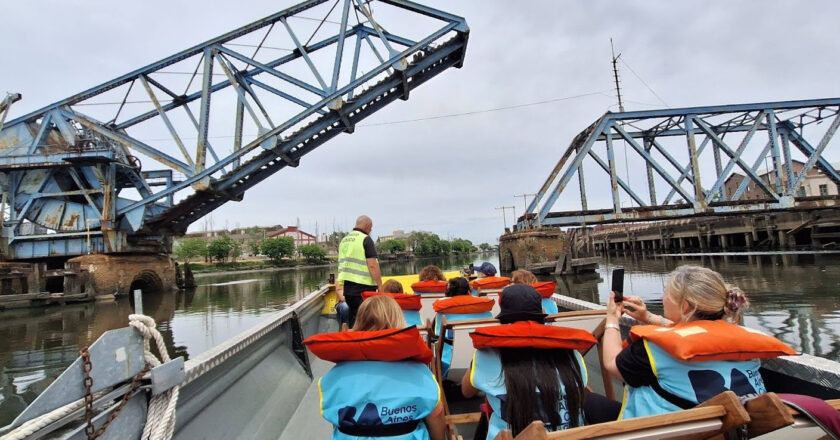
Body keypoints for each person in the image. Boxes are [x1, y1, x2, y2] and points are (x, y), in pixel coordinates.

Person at [602, 265, 796, 420]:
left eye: (666, 294)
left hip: (671, 433)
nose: (662, 298)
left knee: (590, 404)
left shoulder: (653, 349)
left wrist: (611, 319)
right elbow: (699, 331)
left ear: (685, 306)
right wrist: (650, 317)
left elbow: (612, 363)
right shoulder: (749, 339)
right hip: (729, 432)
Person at [461, 284, 597, 439]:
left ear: (503, 316)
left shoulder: (487, 354)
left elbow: (466, 391)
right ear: (541, 312)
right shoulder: (571, 354)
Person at [306, 295, 446, 440]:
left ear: (358, 322)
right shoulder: (419, 373)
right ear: (399, 322)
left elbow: (337, 419)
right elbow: (436, 414)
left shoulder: (334, 377)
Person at [432, 277, 494, 379]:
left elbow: (437, 336)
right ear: (469, 292)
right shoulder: (485, 309)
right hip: (485, 360)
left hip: (450, 363)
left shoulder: (442, 312)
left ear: (448, 293)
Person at [337, 215, 383, 328]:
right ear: (367, 226)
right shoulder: (365, 239)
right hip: (364, 289)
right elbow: (372, 265)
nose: (371, 230)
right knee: (367, 322)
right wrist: (380, 286)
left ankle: (354, 341)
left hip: (348, 290)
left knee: (355, 320)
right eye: (371, 227)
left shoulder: (344, 240)